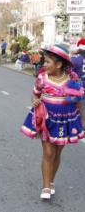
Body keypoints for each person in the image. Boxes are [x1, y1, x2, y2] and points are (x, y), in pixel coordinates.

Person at [20, 44, 85, 200]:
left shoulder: (73, 79)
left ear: (59, 64)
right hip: (46, 119)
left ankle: (51, 180)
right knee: (48, 152)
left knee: (57, 153)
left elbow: (78, 101)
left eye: (47, 62)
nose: (44, 64)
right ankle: (46, 186)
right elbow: (35, 95)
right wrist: (35, 101)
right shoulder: (42, 78)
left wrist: (82, 119)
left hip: (66, 120)